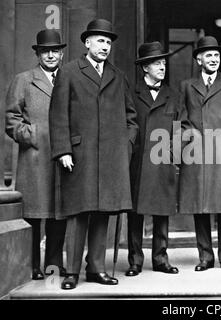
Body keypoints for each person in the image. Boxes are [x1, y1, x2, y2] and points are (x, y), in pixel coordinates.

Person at [49, 19, 138, 290]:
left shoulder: (118, 75)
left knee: (103, 213)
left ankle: (96, 269)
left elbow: (131, 118)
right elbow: (58, 115)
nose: (105, 46)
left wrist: (125, 146)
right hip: (79, 155)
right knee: (78, 213)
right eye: (100, 41)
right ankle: (72, 272)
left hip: (111, 157)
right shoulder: (69, 72)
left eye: (109, 42)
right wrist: (63, 149)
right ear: (87, 43)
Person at [5, 29, 67, 280]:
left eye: (55, 51)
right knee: (33, 214)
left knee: (58, 213)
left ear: (61, 54)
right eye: (45, 51)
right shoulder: (24, 79)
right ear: (38, 54)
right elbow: (11, 118)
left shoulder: (68, 78)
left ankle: (53, 265)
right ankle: (32, 266)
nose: (50, 55)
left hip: (63, 156)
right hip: (34, 158)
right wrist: (32, 134)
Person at [179, 36, 221, 272]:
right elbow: (181, 117)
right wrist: (189, 137)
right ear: (199, 59)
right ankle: (205, 256)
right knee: (200, 205)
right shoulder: (186, 85)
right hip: (196, 153)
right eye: (209, 55)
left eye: (216, 55)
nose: (214, 59)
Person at [126, 41, 188, 276]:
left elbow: (183, 126)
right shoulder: (131, 93)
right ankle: (135, 260)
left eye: (163, 63)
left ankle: (161, 259)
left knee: (162, 211)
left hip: (163, 160)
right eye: (156, 63)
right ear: (145, 68)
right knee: (135, 213)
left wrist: (173, 152)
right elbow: (125, 124)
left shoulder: (174, 94)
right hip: (138, 162)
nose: (162, 67)